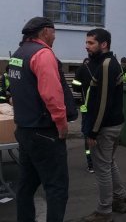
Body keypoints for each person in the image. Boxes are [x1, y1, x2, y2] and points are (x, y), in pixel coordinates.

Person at [8, 16, 69, 222]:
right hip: (45, 132)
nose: (54, 37)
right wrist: (61, 124)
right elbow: (52, 95)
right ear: (44, 31)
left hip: (24, 130)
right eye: (53, 32)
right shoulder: (43, 54)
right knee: (57, 188)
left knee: (26, 185)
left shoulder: (18, 54)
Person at [80, 28, 126, 222]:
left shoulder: (107, 65)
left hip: (105, 126)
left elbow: (102, 103)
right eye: (87, 42)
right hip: (111, 124)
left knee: (102, 168)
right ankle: (119, 199)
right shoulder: (103, 62)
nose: (86, 46)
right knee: (109, 163)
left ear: (104, 44)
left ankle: (104, 211)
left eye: (91, 43)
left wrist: (93, 131)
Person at [72, 57, 97, 173]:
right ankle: (102, 163)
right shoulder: (101, 67)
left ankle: (91, 164)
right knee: (99, 134)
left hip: (86, 109)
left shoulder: (82, 69)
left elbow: (75, 87)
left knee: (87, 135)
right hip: (100, 109)